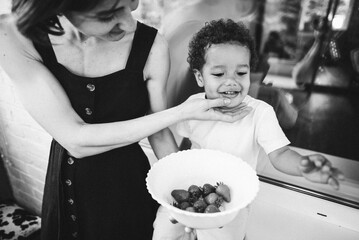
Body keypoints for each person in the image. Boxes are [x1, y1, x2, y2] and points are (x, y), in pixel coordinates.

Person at [0, 2, 251, 240]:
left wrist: (185, 206)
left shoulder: (152, 46)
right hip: (66, 181)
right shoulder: (13, 37)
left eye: (131, 4)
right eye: (108, 14)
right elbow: (75, 139)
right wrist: (181, 112)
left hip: (128, 182)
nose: (129, 24)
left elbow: (160, 133)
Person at [152, 19, 344, 240]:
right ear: (199, 77)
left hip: (231, 206)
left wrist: (304, 167)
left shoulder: (260, 113)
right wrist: (184, 195)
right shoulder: (193, 106)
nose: (232, 81)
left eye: (241, 73)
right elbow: (185, 148)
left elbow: (280, 154)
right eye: (218, 74)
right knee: (163, 231)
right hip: (193, 193)